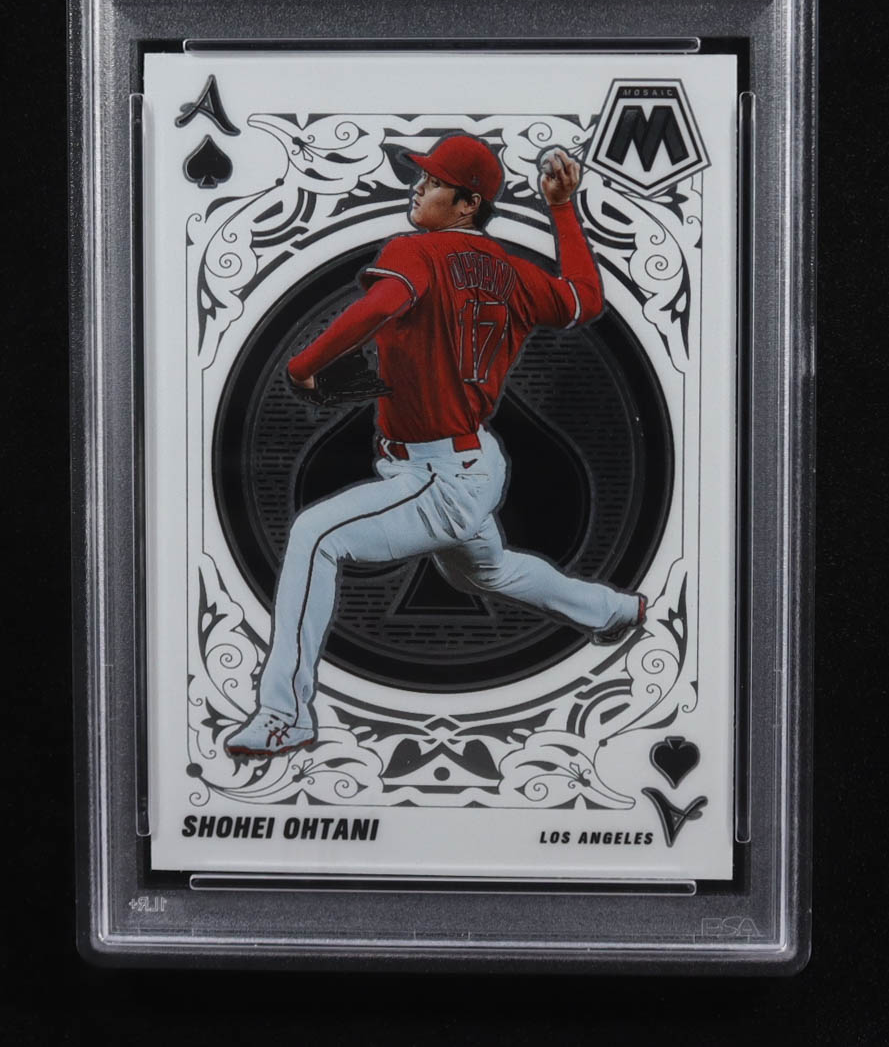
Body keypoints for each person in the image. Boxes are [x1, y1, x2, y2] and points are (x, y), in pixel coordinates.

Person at [226, 134, 646, 758]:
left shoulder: (416, 250)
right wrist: (562, 208)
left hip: (438, 475)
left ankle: (285, 715)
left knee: (316, 535)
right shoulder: (516, 274)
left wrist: (303, 366)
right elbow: (585, 298)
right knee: (490, 570)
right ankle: (615, 611)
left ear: (468, 204)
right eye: (420, 176)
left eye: (432, 181)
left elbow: (383, 302)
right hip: (472, 463)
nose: (418, 186)